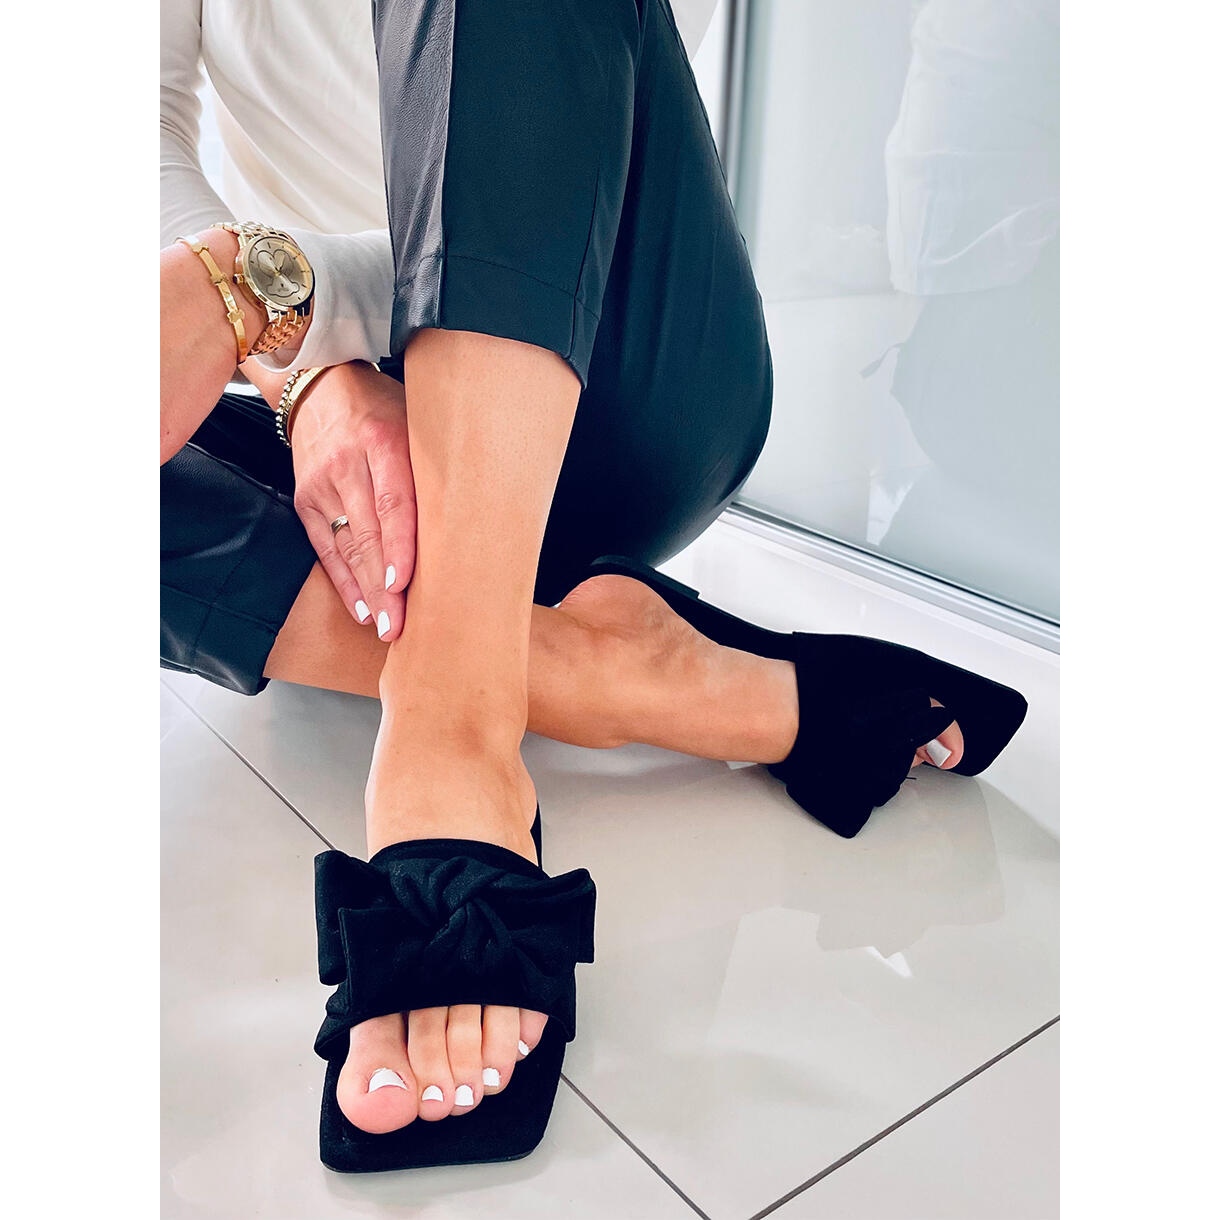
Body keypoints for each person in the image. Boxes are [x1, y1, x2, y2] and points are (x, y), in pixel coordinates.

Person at [161, 0, 1021, 1173]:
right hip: (317, 404)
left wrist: (278, 302)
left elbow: (543, 152)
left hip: (613, 377)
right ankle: (596, 667)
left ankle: (454, 728)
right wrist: (306, 381)